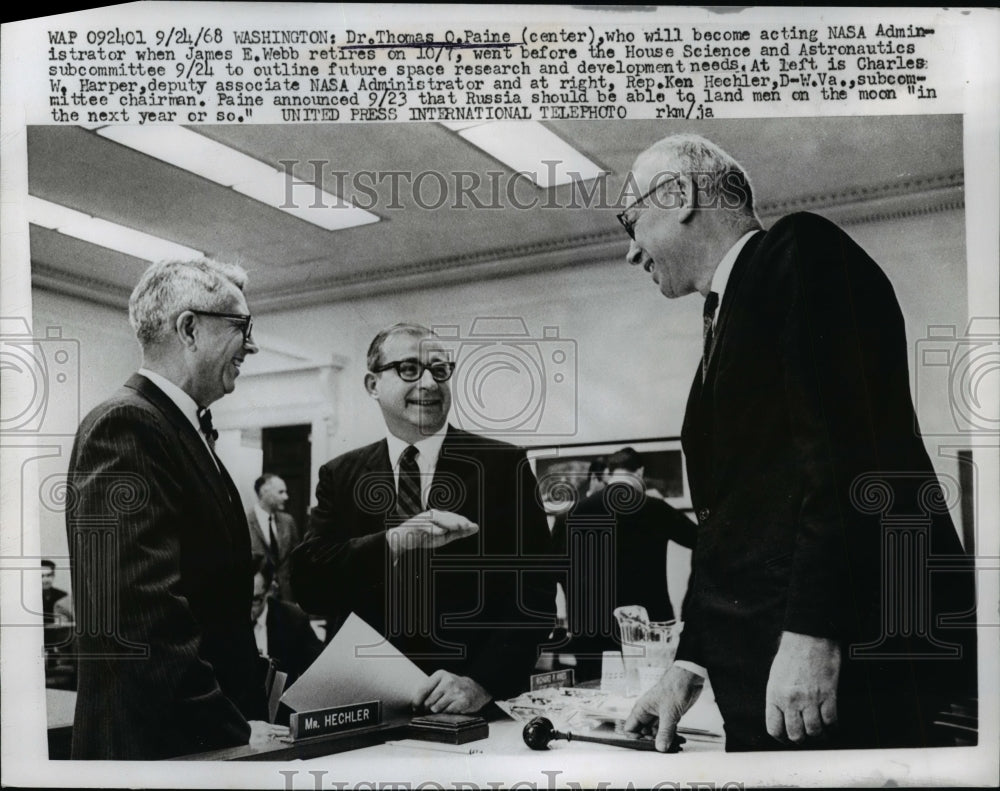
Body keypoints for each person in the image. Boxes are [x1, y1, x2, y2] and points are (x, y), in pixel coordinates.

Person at [619, 134, 976, 751]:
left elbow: (851, 457)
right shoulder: (729, 312)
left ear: (679, 196)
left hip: (832, 665)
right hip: (763, 669)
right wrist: (689, 664)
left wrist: (816, 632)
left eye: (630, 221)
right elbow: (727, 521)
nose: (630, 252)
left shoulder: (801, 250)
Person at [65, 259, 287, 759]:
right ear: (189, 328)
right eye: (241, 327)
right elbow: (140, 615)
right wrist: (229, 727)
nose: (252, 345)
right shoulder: (126, 425)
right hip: (163, 743)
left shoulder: (175, 426)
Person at [292, 323, 555, 713]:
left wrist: (481, 682)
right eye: (410, 369)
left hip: (466, 707)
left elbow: (535, 595)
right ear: (372, 384)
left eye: (440, 370)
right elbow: (311, 586)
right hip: (365, 703)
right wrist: (394, 542)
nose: (430, 383)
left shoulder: (503, 466)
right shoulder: (340, 475)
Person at [553, 447, 696, 679]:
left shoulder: (570, 514)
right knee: (647, 694)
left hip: (590, 625)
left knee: (593, 698)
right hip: (647, 623)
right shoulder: (655, 509)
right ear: (639, 472)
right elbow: (702, 543)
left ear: (608, 473)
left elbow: (555, 568)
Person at [250, 556, 323, 686]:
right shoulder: (223, 621)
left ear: (269, 591)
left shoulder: (293, 619)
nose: (246, 608)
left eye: (255, 600)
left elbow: (319, 671)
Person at [248, 473, 301, 602]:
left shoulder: (288, 522)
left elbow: (298, 560)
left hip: (287, 599)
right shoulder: (244, 523)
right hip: (258, 600)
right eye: (281, 492)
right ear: (263, 492)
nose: (286, 497)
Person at [41, 559, 73, 625]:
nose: (45, 580)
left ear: (53, 575)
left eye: (49, 575)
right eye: (42, 576)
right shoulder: (29, 597)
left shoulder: (62, 595)